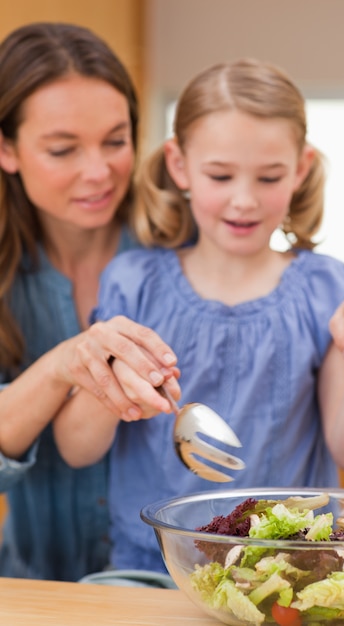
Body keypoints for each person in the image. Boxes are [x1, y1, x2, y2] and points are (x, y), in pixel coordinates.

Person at [53, 58, 344, 576]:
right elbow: (76, 448)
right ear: (179, 165)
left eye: (268, 177)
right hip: (152, 569)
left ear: (301, 168)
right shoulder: (132, 282)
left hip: (296, 570)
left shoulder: (324, 286)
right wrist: (115, 379)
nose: (243, 200)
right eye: (220, 175)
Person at [0, 22, 181, 582]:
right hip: (34, 589)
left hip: (173, 591)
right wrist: (61, 363)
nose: (99, 172)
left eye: (115, 140)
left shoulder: (184, 240)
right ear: (6, 148)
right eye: (63, 149)